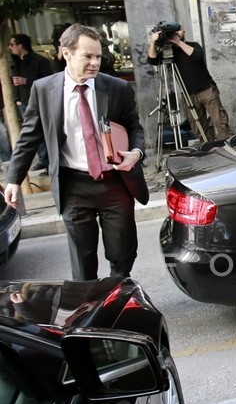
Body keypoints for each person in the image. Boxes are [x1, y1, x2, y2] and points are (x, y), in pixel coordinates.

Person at [3, 24, 148, 281]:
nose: (95, 63)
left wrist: (136, 153)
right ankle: (88, 303)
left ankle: (116, 296)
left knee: (122, 255)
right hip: (73, 185)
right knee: (82, 263)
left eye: (98, 56)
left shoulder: (117, 88)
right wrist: (14, 179)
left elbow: (134, 127)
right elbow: (29, 137)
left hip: (115, 183)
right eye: (87, 56)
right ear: (66, 53)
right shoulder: (44, 89)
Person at [148, 26, 232, 141]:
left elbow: (197, 56)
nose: (177, 33)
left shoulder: (193, 45)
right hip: (189, 95)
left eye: (179, 30)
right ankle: (208, 147)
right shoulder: (169, 52)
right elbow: (152, 60)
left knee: (220, 122)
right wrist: (153, 41)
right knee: (199, 128)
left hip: (207, 90)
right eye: (174, 32)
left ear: (184, 31)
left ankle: (229, 143)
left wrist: (178, 42)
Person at [9, 33, 52, 172]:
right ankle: (43, 160)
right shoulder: (15, 63)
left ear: (20, 46)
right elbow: (13, 82)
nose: (10, 48)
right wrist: (17, 99)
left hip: (39, 101)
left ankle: (50, 162)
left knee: (45, 132)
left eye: (12, 45)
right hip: (23, 102)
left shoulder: (40, 61)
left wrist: (26, 81)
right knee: (32, 133)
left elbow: (48, 80)